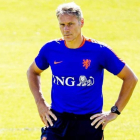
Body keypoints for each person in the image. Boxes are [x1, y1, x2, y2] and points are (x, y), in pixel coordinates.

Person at [27, 2, 138, 140]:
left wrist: (114, 112)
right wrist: (40, 102)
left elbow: (130, 78)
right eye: (62, 25)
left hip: (89, 122)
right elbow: (32, 71)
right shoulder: (50, 49)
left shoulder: (99, 51)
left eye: (70, 24)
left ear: (81, 22)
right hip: (57, 119)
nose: (66, 29)